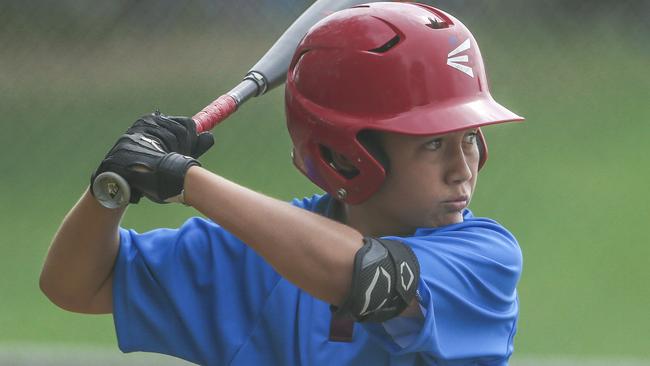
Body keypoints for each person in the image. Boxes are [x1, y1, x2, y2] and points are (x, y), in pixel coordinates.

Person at [40, 2, 524, 365]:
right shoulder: (248, 255)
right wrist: (111, 189)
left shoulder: (483, 260)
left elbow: (367, 275)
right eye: (433, 144)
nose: (465, 166)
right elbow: (74, 285)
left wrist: (186, 180)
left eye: (470, 137)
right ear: (344, 156)